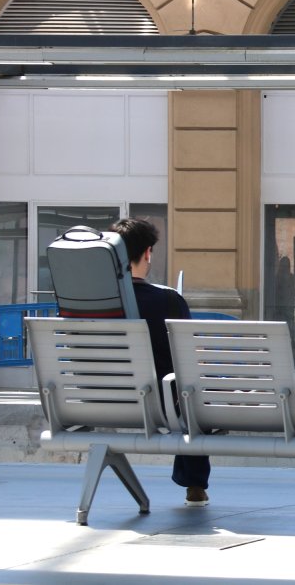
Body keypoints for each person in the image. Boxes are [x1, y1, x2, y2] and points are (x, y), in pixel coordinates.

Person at [110, 217, 211, 507]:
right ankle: (194, 483)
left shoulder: (95, 304)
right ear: (147, 253)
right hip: (162, 405)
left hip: (105, 402)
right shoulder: (169, 300)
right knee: (190, 391)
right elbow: (189, 359)